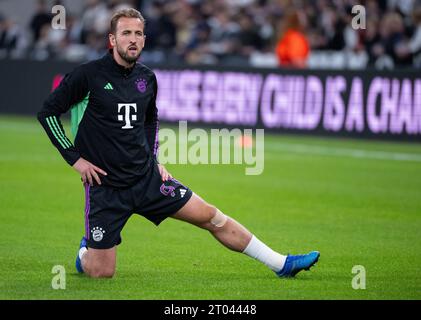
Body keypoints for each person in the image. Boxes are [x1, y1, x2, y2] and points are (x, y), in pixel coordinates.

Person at [38, 8, 319, 279]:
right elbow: (48, 112)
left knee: (211, 216)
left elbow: (150, 120)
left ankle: (280, 263)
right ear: (112, 40)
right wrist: (75, 159)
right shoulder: (88, 75)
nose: (133, 39)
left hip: (147, 180)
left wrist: (154, 159)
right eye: (125, 33)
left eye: (138, 33)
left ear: (145, 39)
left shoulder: (146, 78)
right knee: (101, 273)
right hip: (106, 188)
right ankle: (85, 252)